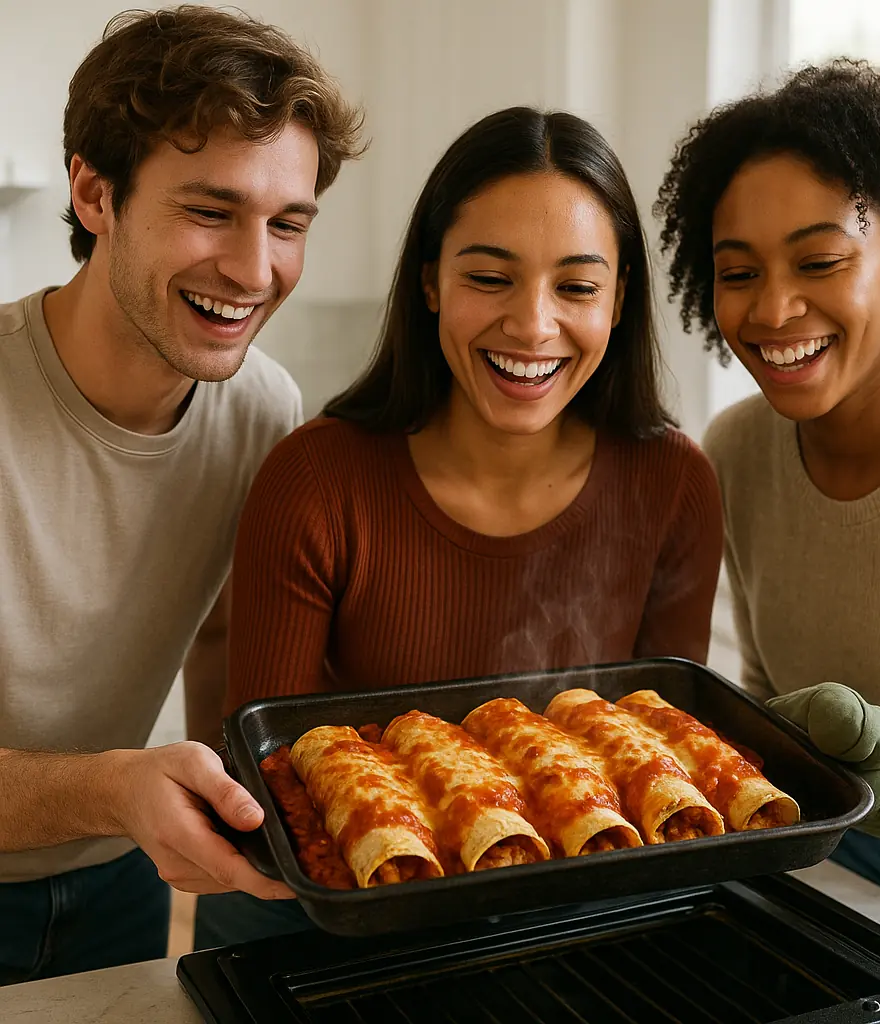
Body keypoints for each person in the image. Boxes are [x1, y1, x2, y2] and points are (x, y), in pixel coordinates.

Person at [194, 105, 724, 947]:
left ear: (619, 301)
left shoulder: (674, 482)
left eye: (577, 286)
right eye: (490, 277)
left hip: (581, 920)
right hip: (328, 920)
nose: (533, 324)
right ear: (431, 280)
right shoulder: (318, 480)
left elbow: (667, 745)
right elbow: (274, 783)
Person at [0, 5, 363, 982]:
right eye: (210, 210)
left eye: (287, 223)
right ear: (93, 192)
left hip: (122, 883)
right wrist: (122, 789)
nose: (255, 270)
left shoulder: (262, 408)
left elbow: (215, 630)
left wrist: (221, 805)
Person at [656, 59, 880, 953]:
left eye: (819, 261)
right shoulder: (736, 450)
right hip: (820, 844)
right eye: (738, 272)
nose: (774, 308)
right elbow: (763, 693)